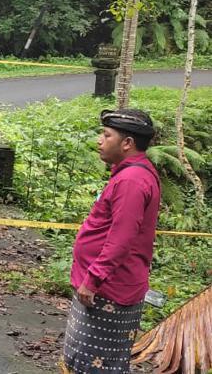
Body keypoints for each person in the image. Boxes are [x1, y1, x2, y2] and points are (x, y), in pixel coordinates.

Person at [61, 109, 160, 374]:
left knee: (96, 365)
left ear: (127, 143)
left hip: (109, 291)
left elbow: (122, 238)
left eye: (106, 135)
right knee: (81, 359)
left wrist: (93, 280)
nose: (99, 141)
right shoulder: (127, 174)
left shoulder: (132, 181)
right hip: (102, 286)